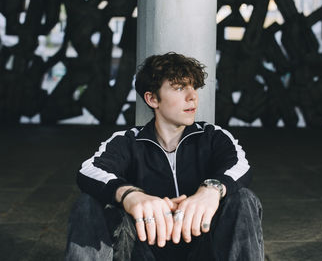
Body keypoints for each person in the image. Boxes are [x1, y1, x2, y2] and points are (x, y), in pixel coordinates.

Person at [66, 52, 264, 261]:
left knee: (243, 199)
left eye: (193, 87)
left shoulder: (213, 136)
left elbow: (240, 166)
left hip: (203, 249)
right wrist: (131, 195)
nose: (192, 96)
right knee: (88, 203)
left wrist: (211, 190)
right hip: (143, 249)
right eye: (179, 88)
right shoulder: (128, 141)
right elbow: (88, 171)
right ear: (152, 99)